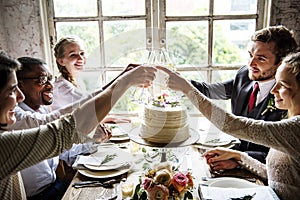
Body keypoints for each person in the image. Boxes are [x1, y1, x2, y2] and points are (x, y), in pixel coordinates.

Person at [0, 50, 156, 199]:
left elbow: (61, 146)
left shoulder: (38, 110)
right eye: (12, 90)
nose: (19, 96)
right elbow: (63, 128)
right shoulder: (11, 133)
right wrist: (123, 82)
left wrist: (91, 139)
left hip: (55, 185)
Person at [157, 51, 300, 200]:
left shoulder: (295, 129)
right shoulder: (290, 125)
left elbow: (232, 124)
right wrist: (239, 157)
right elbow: (276, 177)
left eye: (282, 85)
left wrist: (187, 89)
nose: (273, 90)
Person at [191, 25, 298, 166]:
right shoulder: (244, 75)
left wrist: (238, 159)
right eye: (250, 55)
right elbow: (209, 90)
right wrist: (171, 79)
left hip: (262, 169)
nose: (251, 63)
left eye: (261, 59)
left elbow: (280, 156)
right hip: (229, 155)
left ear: (280, 63)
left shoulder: (288, 99)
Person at [15, 56, 98, 200]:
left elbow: (62, 150)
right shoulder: (14, 117)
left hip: (56, 185)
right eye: (41, 79)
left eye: (50, 78)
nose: (51, 86)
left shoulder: (42, 110)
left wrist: (94, 141)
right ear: (20, 85)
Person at [52, 35, 131, 123]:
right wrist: (123, 77)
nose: (80, 58)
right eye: (73, 55)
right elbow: (90, 106)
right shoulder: (62, 88)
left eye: (82, 53)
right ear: (61, 61)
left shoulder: (77, 81)